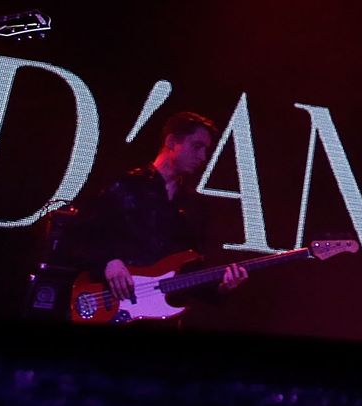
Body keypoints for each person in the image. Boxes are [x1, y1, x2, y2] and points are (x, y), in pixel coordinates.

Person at [47, 110, 247, 312]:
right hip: (108, 305)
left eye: (206, 150)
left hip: (157, 316)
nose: (203, 157)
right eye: (197, 147)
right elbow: (77, 237)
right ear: (171, 142)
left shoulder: (192, 207)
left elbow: (188, 274)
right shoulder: (124, 185)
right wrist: (107, 262)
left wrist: (220, 288)